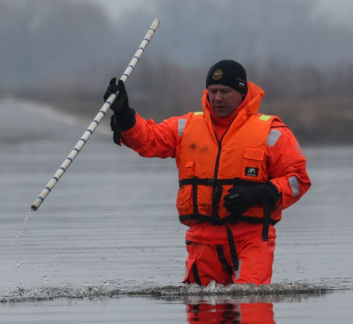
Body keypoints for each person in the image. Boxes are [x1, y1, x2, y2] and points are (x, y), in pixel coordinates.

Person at [104, 60, 311, 285]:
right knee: (201, 311)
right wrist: (124, 113)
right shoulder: (186, 127)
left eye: (225, 91)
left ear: (242, 93)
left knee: (252, 304)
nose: (217, 98)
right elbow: (148, 140)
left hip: (251, 240)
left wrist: (262, 192)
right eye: (212, 91)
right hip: (202, 242)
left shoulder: (270, 131)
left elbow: (298, 179)